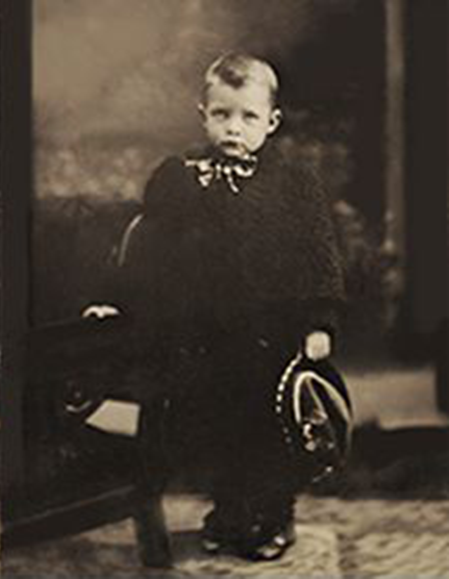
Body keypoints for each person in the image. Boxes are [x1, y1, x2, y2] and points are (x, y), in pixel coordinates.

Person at [85, 52, 345, 561]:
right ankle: (229, 513)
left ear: (271, 122)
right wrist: (113, 300)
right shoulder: (181, 177)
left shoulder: (294, 184)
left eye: (248, 116)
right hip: (202, 333)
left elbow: (318, 253)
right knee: (217, 427)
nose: (234, 127)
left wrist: (320, 320)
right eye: (222, 114)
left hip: (272, 333)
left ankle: (273, 516)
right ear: (202, 114)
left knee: (270, 428)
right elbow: (147, 248)